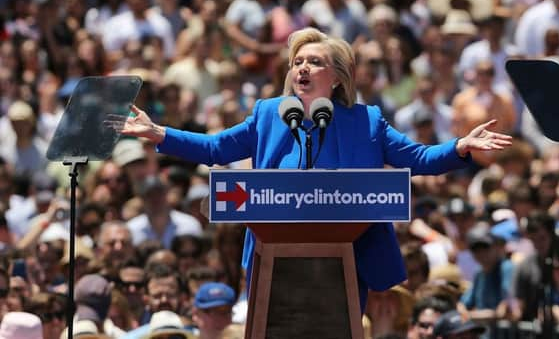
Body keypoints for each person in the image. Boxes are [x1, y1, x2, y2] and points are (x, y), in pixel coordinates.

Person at [116, 27, 512, 311]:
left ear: (337, 79)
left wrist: (459, 146)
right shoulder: (268, 114)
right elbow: (217, 148)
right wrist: (160, 133)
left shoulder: (367, 121)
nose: (302, 68)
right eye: (297, 62)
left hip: (347, 256)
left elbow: (418, 158)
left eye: (314, 62)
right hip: (275, 256)